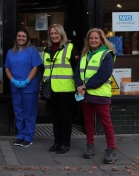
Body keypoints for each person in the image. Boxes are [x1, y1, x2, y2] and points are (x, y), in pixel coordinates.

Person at [74, 28, 117, 164]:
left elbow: (104, 74)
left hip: (100, 95)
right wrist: (79, 85)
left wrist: (86, 86)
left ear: (101, 40)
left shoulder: (106, 54)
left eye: (96, 38)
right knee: (88, 122)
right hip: (85, 95)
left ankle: (111, 149)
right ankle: (90, 146)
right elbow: (77, 72)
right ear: (88, 40)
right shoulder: (84, 54)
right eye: (91, 38)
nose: (93, 40)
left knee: (105, 123)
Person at [41, 24, 79, 154]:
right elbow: (44, 69)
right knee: (55, 117)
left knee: (65, 117)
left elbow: (77, 69)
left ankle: (65, 143)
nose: (53, 36)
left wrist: (79, 86)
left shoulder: (70, 48)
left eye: (56, 33)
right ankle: (57, 141)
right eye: (51, 34)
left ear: (61, 34)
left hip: (65, 89)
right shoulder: (47, 50)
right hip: (51, 90)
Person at [4, 28, 42, 148]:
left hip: (29, 86)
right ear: (16, 38)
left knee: (29, 112)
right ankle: (20, 135)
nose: (21, 38)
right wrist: (13, 80)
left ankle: (28, 136)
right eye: (19, 36)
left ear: (27, 38)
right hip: (15, 86)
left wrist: (27, 81)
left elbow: (35, 67)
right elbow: (6, 68)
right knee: (18, 112)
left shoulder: (32, 51)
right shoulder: (10, 52)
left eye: (23, 36)